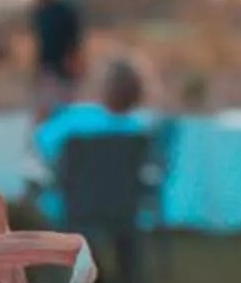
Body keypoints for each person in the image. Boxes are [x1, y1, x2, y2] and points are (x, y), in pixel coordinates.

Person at [31, 55, 154, 226]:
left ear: (102, 87)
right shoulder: (144, 128)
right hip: (127, 208)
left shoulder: (75, 120)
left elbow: (42, 146)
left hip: (73, 206)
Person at [30, 0, 85, 118]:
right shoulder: (39, 12)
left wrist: (73, 59)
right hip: (48, 68)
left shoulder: (62, 10)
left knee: (64, 108)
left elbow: (74, 37)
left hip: (63, 68)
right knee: (46, 108)